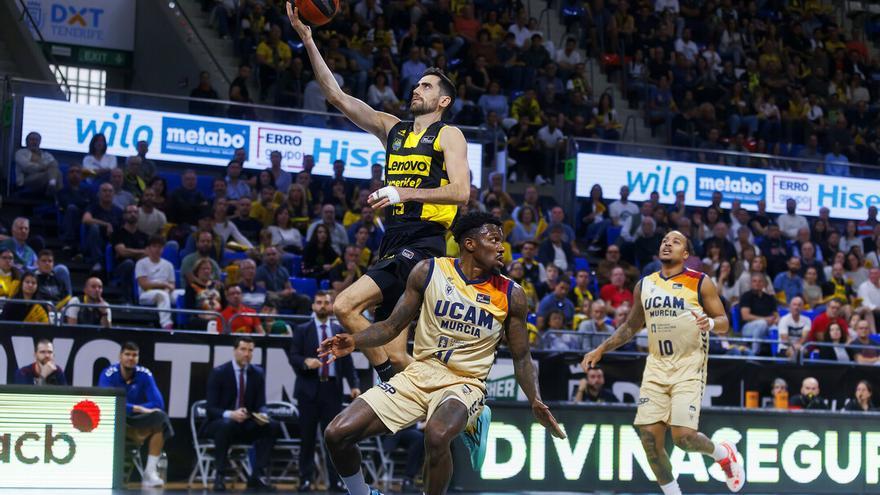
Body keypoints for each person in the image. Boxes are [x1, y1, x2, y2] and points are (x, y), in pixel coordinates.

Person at [287, 5, 472, 387]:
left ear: (443, 102)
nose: (416, 89)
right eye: (417, 84)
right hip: (394, 238)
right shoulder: (393, 129)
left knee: (344, 305)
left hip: (424, 242)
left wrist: (404, 190)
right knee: (396, 350)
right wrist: (308, 40)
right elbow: (337, 96)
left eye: (427, 86)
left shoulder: (448, 135)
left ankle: (388, 383)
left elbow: (462, 192)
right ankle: (445, 405)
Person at [317, 212, 564, 495]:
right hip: (419, 374)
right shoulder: (428, 271)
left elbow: (522, 357)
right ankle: (362, 493)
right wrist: (354, 340)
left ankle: (472, 419)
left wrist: (535, 399)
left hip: (465, 382)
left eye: (502, 242)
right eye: (494, 240)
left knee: (436, 435)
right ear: (469, 244)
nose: (501, 248)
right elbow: (391, 325)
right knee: (337, 434)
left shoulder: (512, 294)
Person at [581, 230, 745, 495]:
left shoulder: (701, 282)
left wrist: (711, 323)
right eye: (664, 240)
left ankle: (723, 454)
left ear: (686, 254)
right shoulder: (644, 285)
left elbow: (725, 323)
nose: (668, 243)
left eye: (676, 241)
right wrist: (602, 348)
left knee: (684, 438)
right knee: (648, 440)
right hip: (656, 367)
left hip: (689, 366)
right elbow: (631, 325)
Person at [288, 291, 361, 492]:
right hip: (308, 390)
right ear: (313, 306)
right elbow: (293, 355)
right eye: (318, 302)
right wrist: (304, 361)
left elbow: (347, 363)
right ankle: (305, 479)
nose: (322, 306)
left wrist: (353, 384)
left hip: (332, 389)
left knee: (334, 439)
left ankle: (336, 480)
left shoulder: (338, 331)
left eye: (326, 302)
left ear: (331, 306)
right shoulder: (302, 330)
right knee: (307, 438)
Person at [203, 336, 279, 492]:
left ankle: (256, 476)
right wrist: (231, 414)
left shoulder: (257, 373)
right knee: (226, 425)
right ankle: (220, 475)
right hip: (219, 423)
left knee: (272, 426)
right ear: (234, 351)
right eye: (243, 349)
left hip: (246, 423)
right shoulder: (219, 373)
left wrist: (263, 414)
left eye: (250, 350)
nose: (247, 354)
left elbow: (260, 404)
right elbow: (210, 409)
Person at [98, 342, 173, 487]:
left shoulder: (144, 374)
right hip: (116, 418)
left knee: (160, 418)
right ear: (120, 356)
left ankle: (149, 473)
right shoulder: (108, 373)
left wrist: (138, 410)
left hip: (136, 420)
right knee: (111, 414)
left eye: (134, 355)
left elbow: (158, 403)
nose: (131, 358)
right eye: (127, 354)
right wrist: (137, 408)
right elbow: (106, 402)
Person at [135, 236, 177, 330]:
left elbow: (172, 285)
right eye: (154, 246)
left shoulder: (168, 265)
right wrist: (164, 285)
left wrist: (167, 289)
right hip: (146, 294)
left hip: (165, 291)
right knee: (161, 295)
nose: (157, 249)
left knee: (182, 293)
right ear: (149, 248)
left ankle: (187, 320)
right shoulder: (141, 263)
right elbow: (144, 285)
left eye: (160, 247)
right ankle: (167, 325)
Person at [739, 273, 779, 355]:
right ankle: (754, 353)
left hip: (768, 326)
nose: (757, 283)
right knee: (762, 323)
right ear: (751, 283)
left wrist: (777, 320)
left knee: (775, 329)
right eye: (754, 281)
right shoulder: (746, 296)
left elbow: (776, 314)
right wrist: (765, 319)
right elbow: (745, 316)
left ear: (764, 284)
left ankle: (777, 355)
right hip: (748, 327)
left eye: (760, 281)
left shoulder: (770, 298)